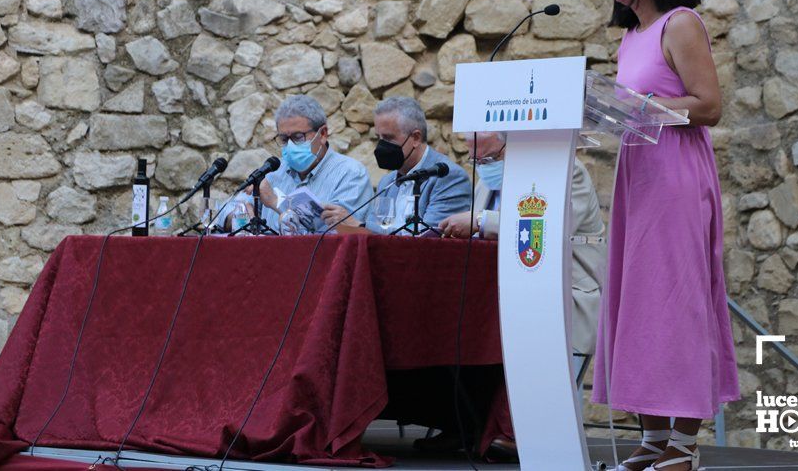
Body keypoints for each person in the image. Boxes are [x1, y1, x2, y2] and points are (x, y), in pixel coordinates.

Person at [591, 0, 740, 471]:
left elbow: (709, 106)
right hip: (637, 178)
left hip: (676, 176)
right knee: (640, 303)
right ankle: (654, 438)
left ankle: (684, 445)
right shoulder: (630, 38)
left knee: (677, 302)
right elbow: (626, 106)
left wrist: (651, 106)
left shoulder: (680, 24)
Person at [436, 131, 607, 460]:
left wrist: (481, 220)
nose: (482, 167)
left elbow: (549, 225)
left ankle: (518, 430)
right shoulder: (487, 182)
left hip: (564, 295)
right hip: (502, 295)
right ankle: (464, 425)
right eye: (476, 160)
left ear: (511, 143)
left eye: (488, 159)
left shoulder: (567, 172)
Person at [219, 95, 373, 233]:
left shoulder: (351, 173)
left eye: (298, 137)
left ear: (323, 134)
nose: (290, 146)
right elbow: (224, 212)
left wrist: (276, 202)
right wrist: (240, 219)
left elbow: (334, 236)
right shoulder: (274, 170)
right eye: (284, 140)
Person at [327, 96, 471, 233]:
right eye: (379, 138)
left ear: (415, 138)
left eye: (388, 138)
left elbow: (429, 240)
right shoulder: (387, 182)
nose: (382, 145)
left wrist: (359, 225)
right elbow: (376, 232)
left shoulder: (447, 176)